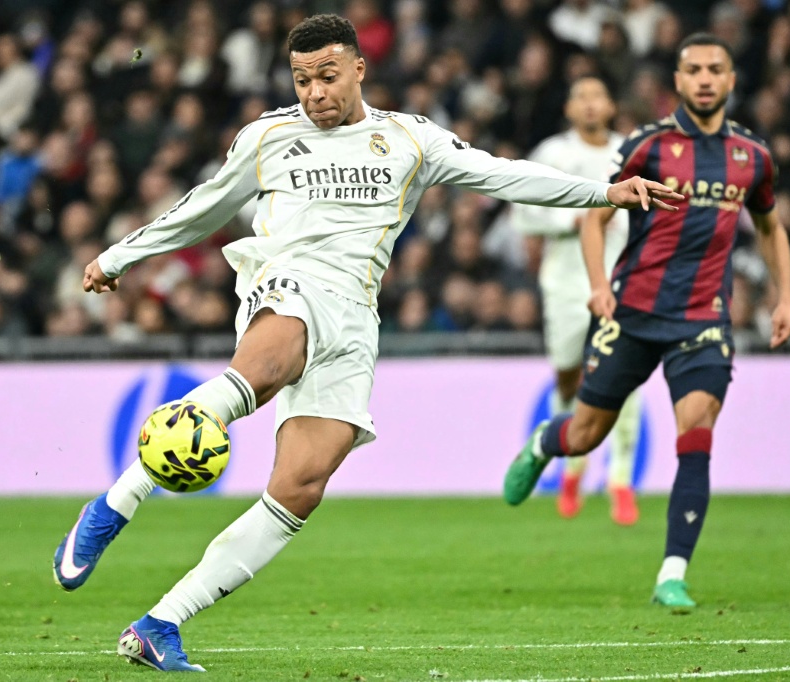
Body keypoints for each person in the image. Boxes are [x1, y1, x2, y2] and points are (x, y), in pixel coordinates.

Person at [50, 14, 682, 673]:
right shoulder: (267, 137)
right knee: (268, 365)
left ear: (358, 68)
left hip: (355, 317)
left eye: (326, 76)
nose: (314, 93)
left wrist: (605, 192)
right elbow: (203, 206)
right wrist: (120, 256)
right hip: (288, 281)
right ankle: (114, 506)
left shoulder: (409, 138)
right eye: (302, 81)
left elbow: (502, 174)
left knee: (300, 487)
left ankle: (160, 624)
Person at [502, 33, 790, 609]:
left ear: (731, 80)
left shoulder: (752, 156)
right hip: (633, 311)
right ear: (679, 81)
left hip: (702, 318)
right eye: (695, 70)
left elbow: (769, 225)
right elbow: (596, 215)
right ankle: (544, 443)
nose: (706, 79)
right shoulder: (646, 146)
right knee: (586, 433)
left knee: (697, 434)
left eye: (715, 69)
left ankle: (672, 573)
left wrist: (785, 297)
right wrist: (598, 285)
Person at [512, 76, 642, 525]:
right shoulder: (551, 154)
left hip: (622, 277)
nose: (589, 104)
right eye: (580, 97)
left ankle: (621, 481)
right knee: (568, 378)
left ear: (611, 106)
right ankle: (572, 469)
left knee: (626, 378)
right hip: (567, 281)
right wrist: (571, 220)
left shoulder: (632, 152)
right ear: (568, 109)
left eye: (597, 96)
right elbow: (523, 211)